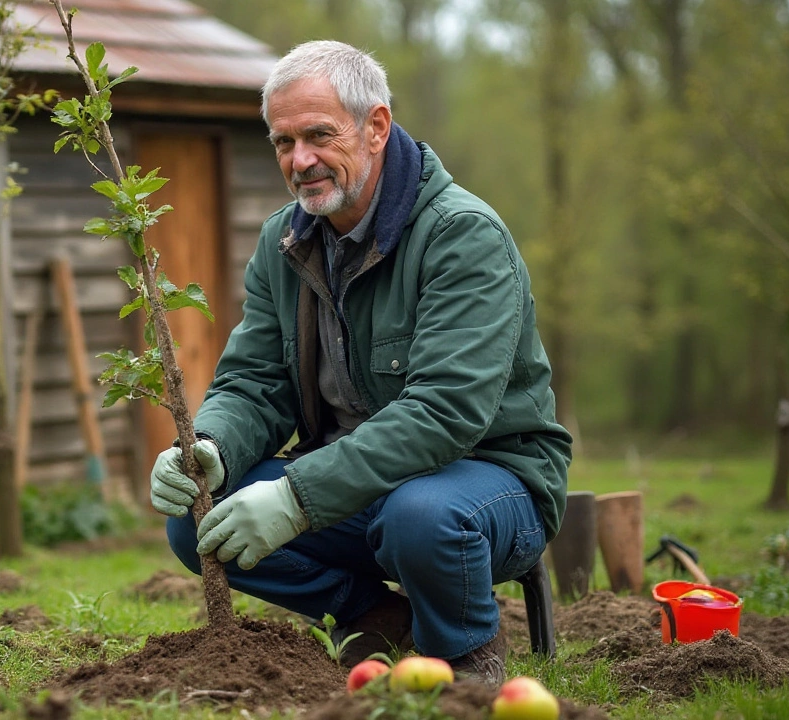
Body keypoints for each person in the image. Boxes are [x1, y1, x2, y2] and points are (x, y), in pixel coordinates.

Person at [149, 40, 572, 687]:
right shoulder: (282, 241)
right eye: (283, 142)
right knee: (197, 518)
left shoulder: (463, 237)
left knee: (422, 516)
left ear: (376, 127)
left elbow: (444, 412)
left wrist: (297, 497)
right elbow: (255, 381)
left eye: (318, 135)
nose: (301, 160)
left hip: (490, 481)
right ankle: (373, 619)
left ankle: (467, 658)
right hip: (355, 485)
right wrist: (211, 447)